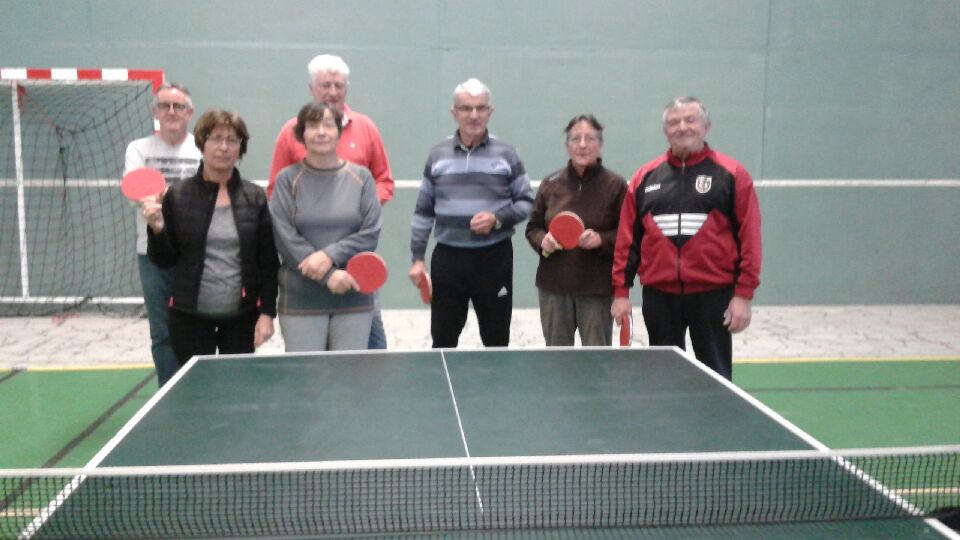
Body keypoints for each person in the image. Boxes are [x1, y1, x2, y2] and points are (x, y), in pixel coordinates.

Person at [611, 97, 762, 379]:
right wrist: (621, 292)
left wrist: (743, 295)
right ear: (665, 131)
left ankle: (715, 423)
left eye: (690, 120)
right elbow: (627, 240)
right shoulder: (645, 177)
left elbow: (750, 239)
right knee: (665, 378)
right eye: (674, 122)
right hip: (659, 297)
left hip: (712, 295)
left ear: (706, 126)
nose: (682, 127)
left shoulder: (732, 174)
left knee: (716, 378)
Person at [266, 54, 393, 350]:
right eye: (325, 85)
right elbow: (280, 222)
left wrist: (337, 247)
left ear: (339, 131)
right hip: (301, 288)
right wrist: (326, 271)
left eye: (338, 85)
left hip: (354, 284)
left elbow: (379, 199)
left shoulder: (362, 165)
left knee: (364, 368)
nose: (332, 91)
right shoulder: (289, 173)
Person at [143, 109, 278, 368]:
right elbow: (163, 259)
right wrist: (158, 229)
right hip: (189, 316)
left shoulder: (255, 197)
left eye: (232, 140)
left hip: (242, 317)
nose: (224, 147)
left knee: (235, 388)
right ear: (202, 143)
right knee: (195, 392)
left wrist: (267, 313)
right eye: (216, 138)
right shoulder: (178, 196)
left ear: (241, 148)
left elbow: (268, 262)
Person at [408, 78, 533, 348]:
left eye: (480, 108)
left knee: (496, 338)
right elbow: (423, 211)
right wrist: (417, 258)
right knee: (443, 338)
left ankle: (496, 389)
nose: (473, 115)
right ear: (454, 112)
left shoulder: (507, 154)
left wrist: (497, 220)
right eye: (466, 108)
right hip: (448, 258)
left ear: (490, 112)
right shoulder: (437, 154)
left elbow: (526, 202)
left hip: (494, 257)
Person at [525, 114, 626, 346]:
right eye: (575, 138)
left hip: (596, 290)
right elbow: (533, 228)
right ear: (567, 145)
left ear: (600, 144)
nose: (582, 145)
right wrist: (543, 241)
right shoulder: (550, 184)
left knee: (595, 362)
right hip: (554, 289)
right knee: (558, 363)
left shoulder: (615, 185)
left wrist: (602, 239)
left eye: (590, 138)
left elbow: (627, 235)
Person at [124, 82, 201, 387]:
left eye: (178, 106)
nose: (171, 112)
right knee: (162, 331)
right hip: (151, 254)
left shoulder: (201, 148)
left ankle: (195, 389)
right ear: (154, 111)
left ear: (189, 112)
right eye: (164, 106)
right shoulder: (138, 149)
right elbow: (137, 194)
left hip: (194, 254)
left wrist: (164, 197)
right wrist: (177, 198)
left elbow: (205, 197)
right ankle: (169, 394)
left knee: (196, 326)